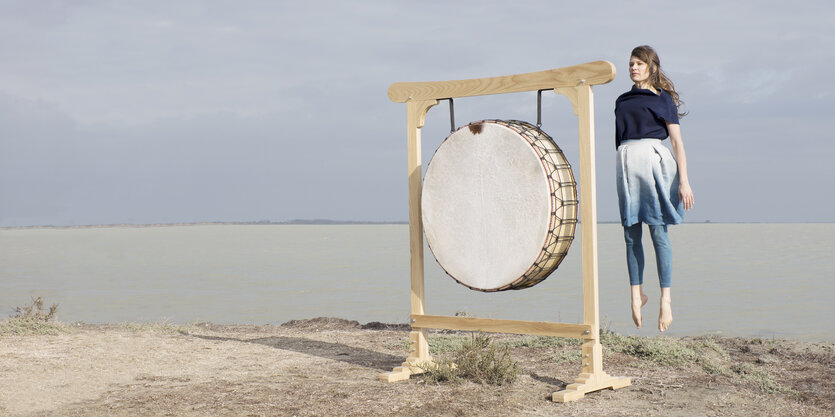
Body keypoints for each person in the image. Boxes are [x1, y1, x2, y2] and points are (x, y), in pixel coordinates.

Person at [614, 45, 695, 332]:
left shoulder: (663, 100)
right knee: (630, 233)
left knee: (658, 232)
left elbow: (677, 143)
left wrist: (684, 181)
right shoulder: (622, 100)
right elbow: (619, 140)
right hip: (626, 163)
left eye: (639, 63)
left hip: (653, 162)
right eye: (631, 64)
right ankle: (637, 295)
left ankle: (666, 300)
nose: (634, 67)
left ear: (651, 66)